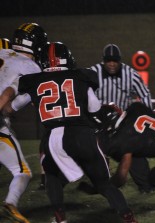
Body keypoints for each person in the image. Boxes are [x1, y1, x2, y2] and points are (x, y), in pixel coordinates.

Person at [4, 42, 138, 223]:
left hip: (53, 138)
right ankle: (128, 217)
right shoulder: (82, 76)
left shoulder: (35, 81)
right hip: (82, 134)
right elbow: (94, 107)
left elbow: (12, 108)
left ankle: (60, 217)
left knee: (52, 177)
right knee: (103, 183)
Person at [90, 43, 155, 193]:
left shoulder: (130, 74)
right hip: (99, 121)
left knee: (134, 151)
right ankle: (99, 183)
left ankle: (145, 186)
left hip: (122, 122)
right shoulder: (93, 73)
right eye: (108, 61)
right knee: (94, 152)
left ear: (120, 61)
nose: (112, 64)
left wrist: (146, 116)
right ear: (103, 61)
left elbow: (144, 93)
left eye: (115, 61)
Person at [0, 23, 48, 223]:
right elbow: (10, 94)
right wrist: (9, 109)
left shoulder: (3, 51)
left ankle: (11, 205)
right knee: (22, 172)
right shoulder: (31, 67)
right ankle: (10, 204)